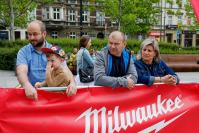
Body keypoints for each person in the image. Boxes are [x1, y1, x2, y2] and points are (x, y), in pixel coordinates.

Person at [16, 20, 76, 100]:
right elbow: (21, 71)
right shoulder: (23, 51)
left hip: (54, 96)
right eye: (29, 34)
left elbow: (66, 69)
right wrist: (26, 85)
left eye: (35, 34)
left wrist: (72, 83)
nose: (31, 37)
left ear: (44, 34)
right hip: (33, 95)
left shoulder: (55, 50)